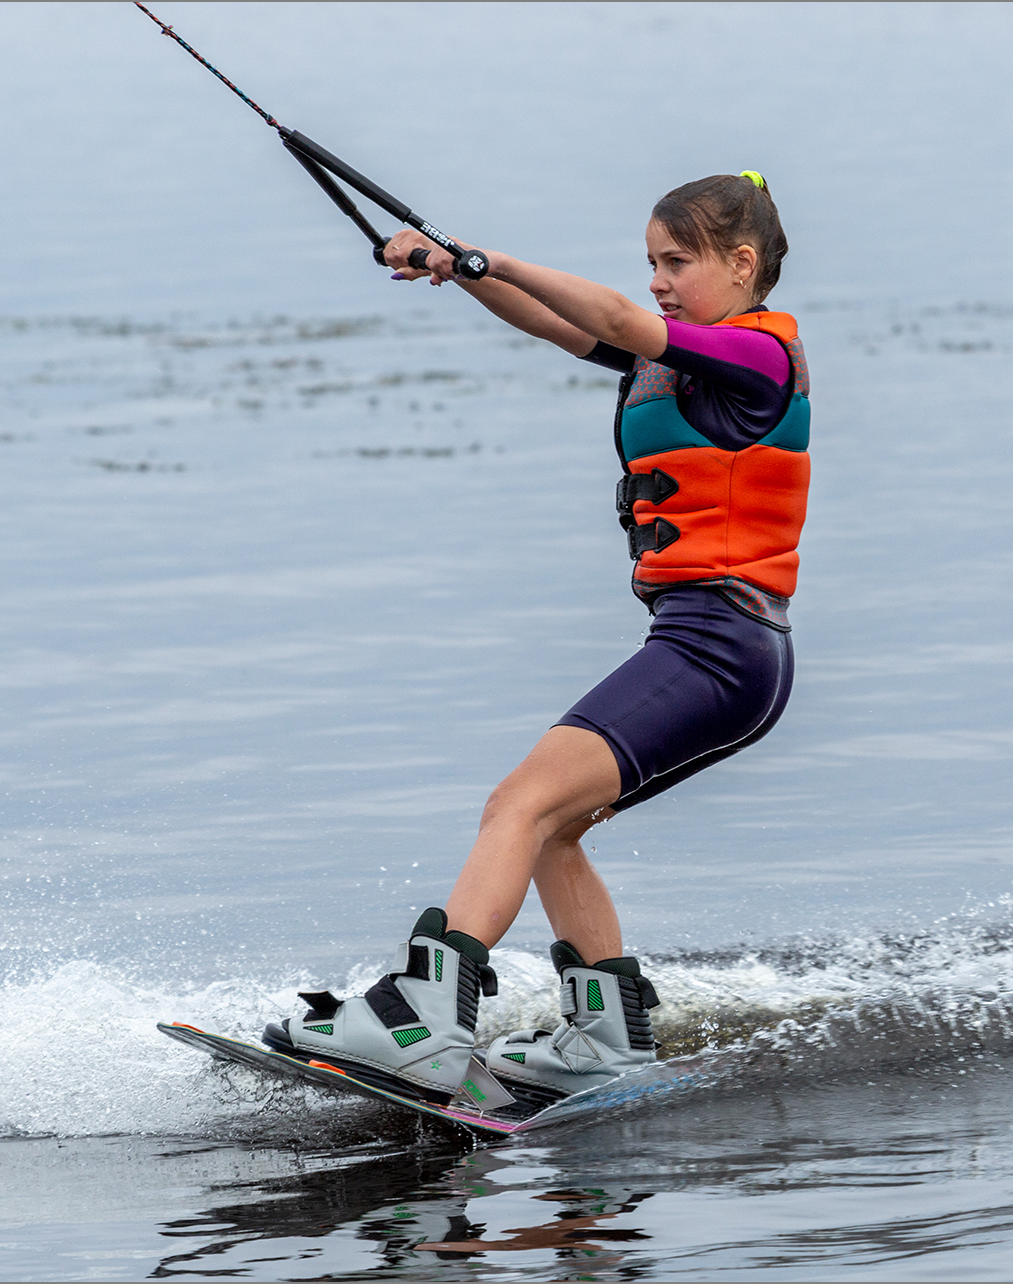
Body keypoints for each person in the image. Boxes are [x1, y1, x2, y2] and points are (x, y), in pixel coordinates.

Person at [263, 172, 808, 1112]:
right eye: (651, 264)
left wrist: (496, 255)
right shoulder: (676, 360)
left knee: (515, 803)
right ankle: (606, 1038)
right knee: (555, 828)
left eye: (678, 263)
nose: (659, 282)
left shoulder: (756, 361)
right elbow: (563, 323)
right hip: (707, 646)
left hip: (723, 649)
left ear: (742, 264)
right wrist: (459, 269)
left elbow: (618, 319)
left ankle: (421, 1019)